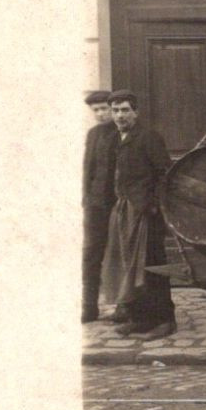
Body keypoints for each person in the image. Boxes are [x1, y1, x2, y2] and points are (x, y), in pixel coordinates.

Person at [100, 90, 176, 340]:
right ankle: (139, 319)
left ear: (136, 112)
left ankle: (164, 321)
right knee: (127, 267)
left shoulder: (148, 137)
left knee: (151, 267)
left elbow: (166, 174)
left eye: (125, 110)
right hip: (124, 210)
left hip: (145, 213)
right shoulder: (117, 139)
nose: (120, 115)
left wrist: (152, 206)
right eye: (116, 110)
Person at [82, 90, 119, 323]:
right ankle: (89, 306)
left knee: (119, 254)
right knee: (91, 253)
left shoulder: (122, 133)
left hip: (117, 203)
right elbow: (88, 168)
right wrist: (86, 198)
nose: (101, 114)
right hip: (96, 204)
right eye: (96, 110)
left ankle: (123, 305)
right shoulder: (93, 134)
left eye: (104, 109)